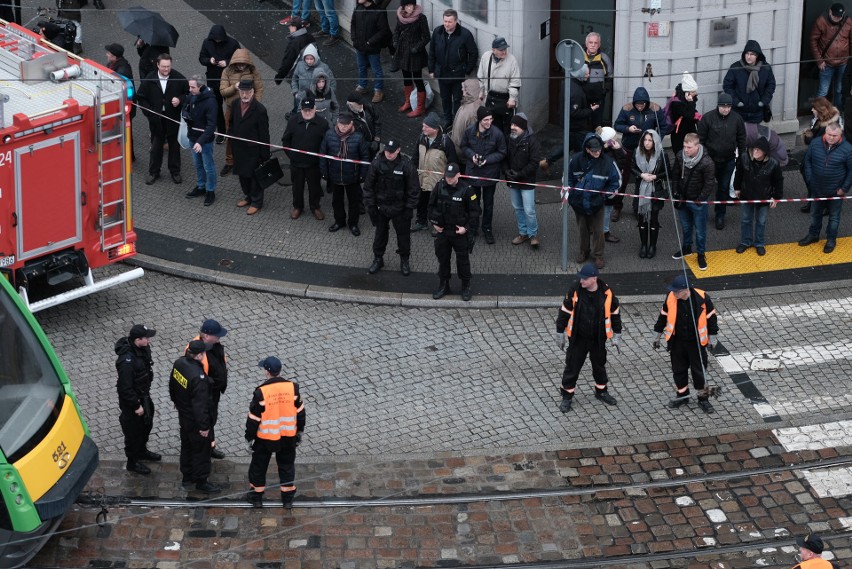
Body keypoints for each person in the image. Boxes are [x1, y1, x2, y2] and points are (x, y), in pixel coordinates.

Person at [554, 263, 621, 413]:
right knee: (572, 366)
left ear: (594, 279)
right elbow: (564, 311)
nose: (581, 281)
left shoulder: (607, 292)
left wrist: (617, 332)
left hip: (598, 337)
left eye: (584, 279)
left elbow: (615, 312)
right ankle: (567, 395)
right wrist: (560, 331)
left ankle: (601, 391)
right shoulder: (575, 290)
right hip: (579, 337)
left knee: (599, 364)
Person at [652, 275, 718, 414]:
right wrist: (657, 335)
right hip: (677, 342)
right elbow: (663, 316)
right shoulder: (671, 297)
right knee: (679, 371)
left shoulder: (702, 298)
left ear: (685, 290)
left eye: (676, 291)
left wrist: (713, 338)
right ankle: (682, 395)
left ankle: (703, 399)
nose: (674, 293)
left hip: (696, 343)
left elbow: (711, 318)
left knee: (699, 372)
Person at [245, 357, 306, 509]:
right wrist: (300, 431)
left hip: (265, 438)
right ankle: (287, 499)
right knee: (286, 466)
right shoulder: (293, 388)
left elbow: (254, 418)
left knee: (259, 466)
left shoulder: (261, 392)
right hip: (288, 435)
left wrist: (249, 437)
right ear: (279, 371)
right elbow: (300, 413)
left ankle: (256, 497)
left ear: (266, 371)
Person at [169, 340, 219, 493]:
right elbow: (200, 405)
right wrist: (204, 427)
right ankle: (201, 481)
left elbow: (172, 385)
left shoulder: (179, 363)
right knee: (201, 451)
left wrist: (177, 403)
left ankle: (187, 476)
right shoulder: (198, 378)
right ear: (199, 356)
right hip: (196, 421)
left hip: (184, 415)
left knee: (187, 446)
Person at [363, 139, 419, 275]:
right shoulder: (376, 163)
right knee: (380, 235)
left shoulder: (407, 165)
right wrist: (371, 206)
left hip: (400, 208)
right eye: (387, 150)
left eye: (392, 152)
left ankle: (404, 260)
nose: (389, 154)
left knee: (403, 236)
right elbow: (368, 187)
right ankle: (378, 258)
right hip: (381, 207)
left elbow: (414, 189)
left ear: (399, 150)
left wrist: (409, 208)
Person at [567, 133, 621, 269]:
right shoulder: (576, 160)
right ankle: (584, 251)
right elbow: (567, 179)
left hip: (597, 203)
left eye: (599, 150)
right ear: (587, 149)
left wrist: (604, 196)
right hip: (579, 202)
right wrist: (572, 193)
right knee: (582, 229)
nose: (597, 153)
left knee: (599, 230)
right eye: (594, 151)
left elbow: (616, 182)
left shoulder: (608, 163)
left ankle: (598, 255)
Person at [798, 122, 852, 254]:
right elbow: (808, 161)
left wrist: (843, 189)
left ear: (841, 135)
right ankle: (813, 235)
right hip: (817, 188)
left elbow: (851, 171)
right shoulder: (815, 143)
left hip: (836, 191)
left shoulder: (848, 149)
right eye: (829, 134)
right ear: (825, 133)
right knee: (816, 214)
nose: (831, 138)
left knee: (834, 217)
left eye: (834, 135)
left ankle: (831, 239)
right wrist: (810, 179)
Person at [428, 163, 480, 301]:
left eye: (451, 177)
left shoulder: (467, 190)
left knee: (462, 261)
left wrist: (466, 228)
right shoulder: (439, 186)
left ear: (459, 175)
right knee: (443, 259)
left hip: (459, 233)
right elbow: (430, 206)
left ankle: (466, 286)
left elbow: (475, 213)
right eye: (447, 176)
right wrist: (434, 223)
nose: (449, 179)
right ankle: (444, 285)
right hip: (443, 231)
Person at [114, 324, 160, 475]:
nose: (149, 341)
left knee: (147, 423)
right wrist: (136, 406)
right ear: (137, 340)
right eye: (146, 338)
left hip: (143, 394)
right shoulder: (126, 360)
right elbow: (125, 387)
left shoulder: (142, 349)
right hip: (133, 401)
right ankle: (132, 462)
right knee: (133, 431)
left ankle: (141, 451)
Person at [136, 54, 188, 186]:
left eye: (168, 66)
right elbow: (141, 98)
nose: (166, 69)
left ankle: (175, 171)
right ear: (157, 65)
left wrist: (180, 100)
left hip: (172, 118)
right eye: (163, 66)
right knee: (156, 147)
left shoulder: (179, 78)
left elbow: (188, 94)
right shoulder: (149, 79)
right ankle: (154, 172)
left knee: (174, 147)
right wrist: (150, 113)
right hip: (156, 120)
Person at [697, 93, 746, 230]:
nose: (726, 109)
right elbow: (700, 140)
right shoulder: (708, 118)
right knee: (705, 187)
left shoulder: (737, 119)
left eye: (728, 107)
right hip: (710, 160)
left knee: (723, 189)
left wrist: (742, 158)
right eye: (723, 106)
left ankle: (720, 215)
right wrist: (704, 158)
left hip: (728, 160)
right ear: (718, 105)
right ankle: (701, 214)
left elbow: (742, 139)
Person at [460, 106, 507, 244]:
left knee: (488, 204)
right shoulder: (469, 131)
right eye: (486, 120)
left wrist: (487, 160)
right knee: (473, 203)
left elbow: (502, 152)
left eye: (490, 119)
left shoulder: (497, 134)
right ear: (479, 120)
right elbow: (463, 146)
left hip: (489, 175)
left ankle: (487, 229)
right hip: (473, 174)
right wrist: (472, 156)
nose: (489, 122)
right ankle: (473, 228)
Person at [320, 112, 370, 235]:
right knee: (336, 201)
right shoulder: (329, 135)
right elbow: (322, 155)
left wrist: (363, 175)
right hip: (335, 175)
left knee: (354, 203)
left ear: (351, 124)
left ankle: (353, 223)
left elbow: (365, 157)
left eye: (346, 125)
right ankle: (339, 221)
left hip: (352, 177)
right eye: (341, 124)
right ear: (337, 122)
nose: (343, 127)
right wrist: (324, 172)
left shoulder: (358, 137)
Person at [281, 93, 330, 220]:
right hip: (296, 164)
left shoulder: (322, 124)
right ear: (301, 109)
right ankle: (298, 207)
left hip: (314, 165)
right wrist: (292, 155)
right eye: (305, 110)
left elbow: (326, 145)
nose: (307, 112)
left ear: (315, 109)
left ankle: (315, 207)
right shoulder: (293, 121)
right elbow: (285, 141)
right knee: (297, 187)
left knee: (314, 187)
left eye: (310, 110)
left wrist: (321, 159)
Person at [185, 319, 229, 460]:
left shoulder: (213, 344)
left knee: (211, 420)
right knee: (204, 421)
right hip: (205, 395)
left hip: (213, 392)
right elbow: (197, 378)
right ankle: (203, 451)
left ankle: (210, 446)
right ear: (207, 335)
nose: (219, 337)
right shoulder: (195, 350)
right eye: (217, 335)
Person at [671, 133, 715, 270]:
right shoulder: (680, 156)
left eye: (689, 147)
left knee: (700, 230)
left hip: (697, 201)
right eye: (684, 146)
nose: (686, 150)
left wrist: (700, 199)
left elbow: (709, 183)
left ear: (697, 146)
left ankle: (701, 254)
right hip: (683, 198)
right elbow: (675, 175)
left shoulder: (707, 162)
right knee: (685, 226)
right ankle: (687, 248)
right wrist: (675, 192)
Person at [428, 9, 478, 129]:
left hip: (457, 75)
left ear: (456, 21)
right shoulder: (438, 32)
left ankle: (456, 122)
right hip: (442, 73)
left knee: (457, 100)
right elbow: (432, 51)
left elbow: (473, 53)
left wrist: (467, 70)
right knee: (445, 98)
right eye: (445, 21)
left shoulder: (465, 34)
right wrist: (431, 69)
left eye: (450, 22)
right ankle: (447, 121)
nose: (447, 24)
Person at [733, 137, 783, 256]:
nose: (755, 152)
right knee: (746, 220)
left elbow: (778, 181)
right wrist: (737, 188)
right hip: (747, 194)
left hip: (763, 196)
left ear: (765, 152)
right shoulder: (744, 157)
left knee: (761, 221)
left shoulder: (774, 164)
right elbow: (738, 173)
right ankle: (746, 241)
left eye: (758, 150)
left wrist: (776, 197)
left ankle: (759, 243)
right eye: (754, 149)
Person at [220, 48, 264, 178]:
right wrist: (234, 87)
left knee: (249, 135)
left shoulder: (253, 72)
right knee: (230, 136)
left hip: (248, 110)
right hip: (231, 110)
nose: (241, 66)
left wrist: (254, 104)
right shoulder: (227, 71)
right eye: (239, 64)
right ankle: (229, 161)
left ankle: (244, 160)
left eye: (243, 64)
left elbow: (259, 88)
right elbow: (223, 91)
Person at [411, 112, 458, 232]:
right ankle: (421, 221)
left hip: (438, 182)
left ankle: (438, 225)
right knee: (422, 201)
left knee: (438, 204)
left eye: (426, 127)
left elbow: (452, 162)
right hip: (423, 178)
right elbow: (415, 157)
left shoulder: (446, 142)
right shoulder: (421, 138)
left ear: (435, 128)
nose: (423, 129)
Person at [230, 80, 270, 215]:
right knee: (242, 175)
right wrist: (231, 138)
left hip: (253, 151)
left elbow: (264, 134)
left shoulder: (260, 110)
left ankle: (256, 202)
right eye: (242, 92)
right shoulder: (235, 104)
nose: (245, 94)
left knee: (254, 177)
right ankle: (248, 196)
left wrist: (265, 154)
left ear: (253, 92)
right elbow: (231, 123)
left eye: (247, 92)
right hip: (238, 148)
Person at [504, 113, 542, 248]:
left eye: (515, 125)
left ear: (523, 127)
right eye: (512, 125)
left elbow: (534, 162)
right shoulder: (510, 139)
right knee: (518, 208)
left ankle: (533, 235)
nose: (512, 127)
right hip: (514, 180)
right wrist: (507, 171)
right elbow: (505, 157)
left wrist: (520, 174)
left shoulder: (532, 141)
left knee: (529, 210)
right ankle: (523, 233)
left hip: (526, 181)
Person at [198, 25, 240, 144]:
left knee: (232, 106)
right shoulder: (207, 43)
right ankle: (221, 131)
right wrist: (209, 61)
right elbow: (201, 58)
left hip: (229, 81)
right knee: (216, 107)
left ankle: (233, 130)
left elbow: (239, 59)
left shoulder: (233, 44)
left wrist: (227, 62)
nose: (217, 41)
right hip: (213, 80)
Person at [631, 129, 670, 259]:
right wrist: (641, 174)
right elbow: (632, 168)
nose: (647, 143)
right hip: (641, 189)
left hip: (655, 189)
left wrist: (655, 177)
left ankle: (652, 246)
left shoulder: (661, 155)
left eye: (650, 140)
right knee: (641, 218)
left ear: (655, 141)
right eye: (645, 140)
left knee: (653, 219)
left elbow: (667, 172)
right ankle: (643, 245)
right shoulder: (637, 152)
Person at [183, 76, 219, 206]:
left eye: (192, 87)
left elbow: (211, 126)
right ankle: (201, 186)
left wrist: (200, 141)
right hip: (193, 136)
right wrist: (185, 113)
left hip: (205, 141)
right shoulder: (192, 96)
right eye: (189, 86)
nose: (190, 89)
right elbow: (185, 106)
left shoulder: (210, 102)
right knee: (198, 165)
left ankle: (210, 190)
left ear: (201, 87)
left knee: (208, 167)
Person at [392, 0, 431, 118]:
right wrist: (395, 41)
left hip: (415, 54)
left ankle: (420, 107)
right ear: (403, 6)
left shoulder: (421, 18)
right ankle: (408, 102)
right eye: (407, 5)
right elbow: (397, 31)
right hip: (403, 52)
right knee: (406, 77)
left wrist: (417, 48)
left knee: (418, 79)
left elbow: (426, 37)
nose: (409, 8)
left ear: (414, 5)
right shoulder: (400, 16)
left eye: (411, 5)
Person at [723, 39, 776, 124]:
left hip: (757, 111)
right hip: (738, 111)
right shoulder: (736, 67)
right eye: (747, 54)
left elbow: (771, 85)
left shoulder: (765, 68)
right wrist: (737, 101)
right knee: (739, 135)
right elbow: (727, 86)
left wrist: (763, 102)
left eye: (752, 54)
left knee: (754, 135)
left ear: (757, 56)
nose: (748, 56)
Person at [809, 3, 852, 108]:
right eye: (835, 16)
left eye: (839, 17)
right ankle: (818, 115)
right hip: (826, 63)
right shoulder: (821, 21)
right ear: (830, 12)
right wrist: (819, 60)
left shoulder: (848, 22)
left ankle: (838, 114)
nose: (837, 18)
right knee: (823, 91)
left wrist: (850, 60)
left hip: (844, 62)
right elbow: (813, 41)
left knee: (839, 90)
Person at [477, 37, 521, 137]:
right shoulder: (486, 57)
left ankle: (506, 150)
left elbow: (515, 81)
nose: (504, 52)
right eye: (501, 50)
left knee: (507, 129)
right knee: (492, 126)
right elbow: (481, 76)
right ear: (493, 50)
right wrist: (482, 91)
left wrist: (512, 98)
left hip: (506, 99)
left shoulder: (512, 60)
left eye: (505, 49)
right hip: (491, 97)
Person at [351, 0, 391, 104]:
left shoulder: (378, 11)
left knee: (376, 69)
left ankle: (378, 90)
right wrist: (354, 39)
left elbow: (383, 30)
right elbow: (353, 24)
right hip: (359, 46)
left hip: (372, 47)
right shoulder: (358, 8)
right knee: (361, 66)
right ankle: (362, 86)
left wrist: (370, 42)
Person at [598, 127, 630, 244]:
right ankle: (604, 232)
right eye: (614, 136)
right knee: (606, 211)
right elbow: (620, 165)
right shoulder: (610, 153)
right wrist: (619, 150)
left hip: (601, 188)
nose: (617, 138)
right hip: (608, 188)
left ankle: (595, 228)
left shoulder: (600, 150)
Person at [450, 78, 483, 171]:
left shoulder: (474, 111)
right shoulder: (467, 102)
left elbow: (474, 137)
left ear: (470, 91)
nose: (462, 90)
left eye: (464, 88)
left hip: (464, 155)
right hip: (460, 150)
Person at [291, 44, 338, 110]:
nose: (309, 61)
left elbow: (332, 84)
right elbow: (294, 79)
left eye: (311, 59)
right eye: (307, 59)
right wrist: (295, 92)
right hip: (301, 99)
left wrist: (323, 97)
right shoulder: (300, 65)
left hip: (317, 103)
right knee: (297, 112)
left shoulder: (324, 68)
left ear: (315, 58)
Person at [274, 17, 316, 89]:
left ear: (295, 28)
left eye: (290, 26)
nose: (289, 27)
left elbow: (288, 63)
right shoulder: (311, 37)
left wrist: (278, 78)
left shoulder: (294, 43)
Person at [582, 32, 613, 130]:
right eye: (590, 42)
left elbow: (610, 77)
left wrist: (604, 91)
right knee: (581, 124)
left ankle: (595, 144)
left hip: (597, 100)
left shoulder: (604, 59)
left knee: (596, 126)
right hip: (582, 100)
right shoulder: (579, 57)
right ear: (586, 44)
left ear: (599, 45)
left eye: (595, 43)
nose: (593, 45)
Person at [667, 71, 699, 158]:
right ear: (687, 93)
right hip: (679, 137)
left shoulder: (686, 101)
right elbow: (689, 116)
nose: (696, 93)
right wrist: (691, 103)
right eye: (693, 91)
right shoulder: (677, 103)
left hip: (689, 135)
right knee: (680, 159)